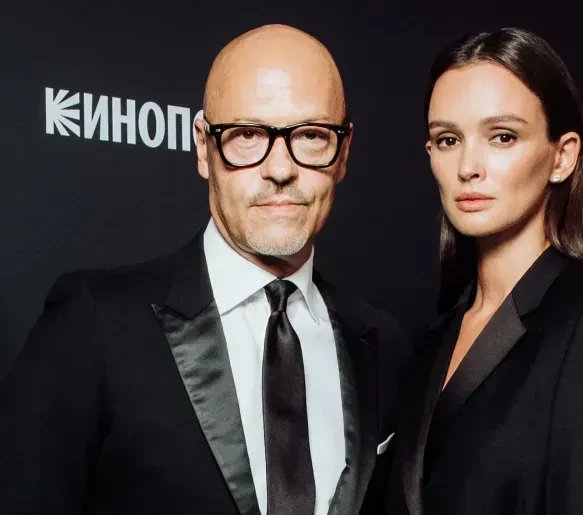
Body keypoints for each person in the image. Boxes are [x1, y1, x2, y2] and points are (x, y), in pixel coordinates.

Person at [0, 24, 408, 515]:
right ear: (203, 146)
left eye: (311, 136)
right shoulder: (93, 325)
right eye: (248, 135)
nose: (281, 169)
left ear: (343, 153)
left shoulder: (383, 344)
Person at [386, 28, 583, 515]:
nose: (468, 166)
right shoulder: (433, 340)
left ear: (563, 156)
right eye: (448, 139)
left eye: (502, 137)